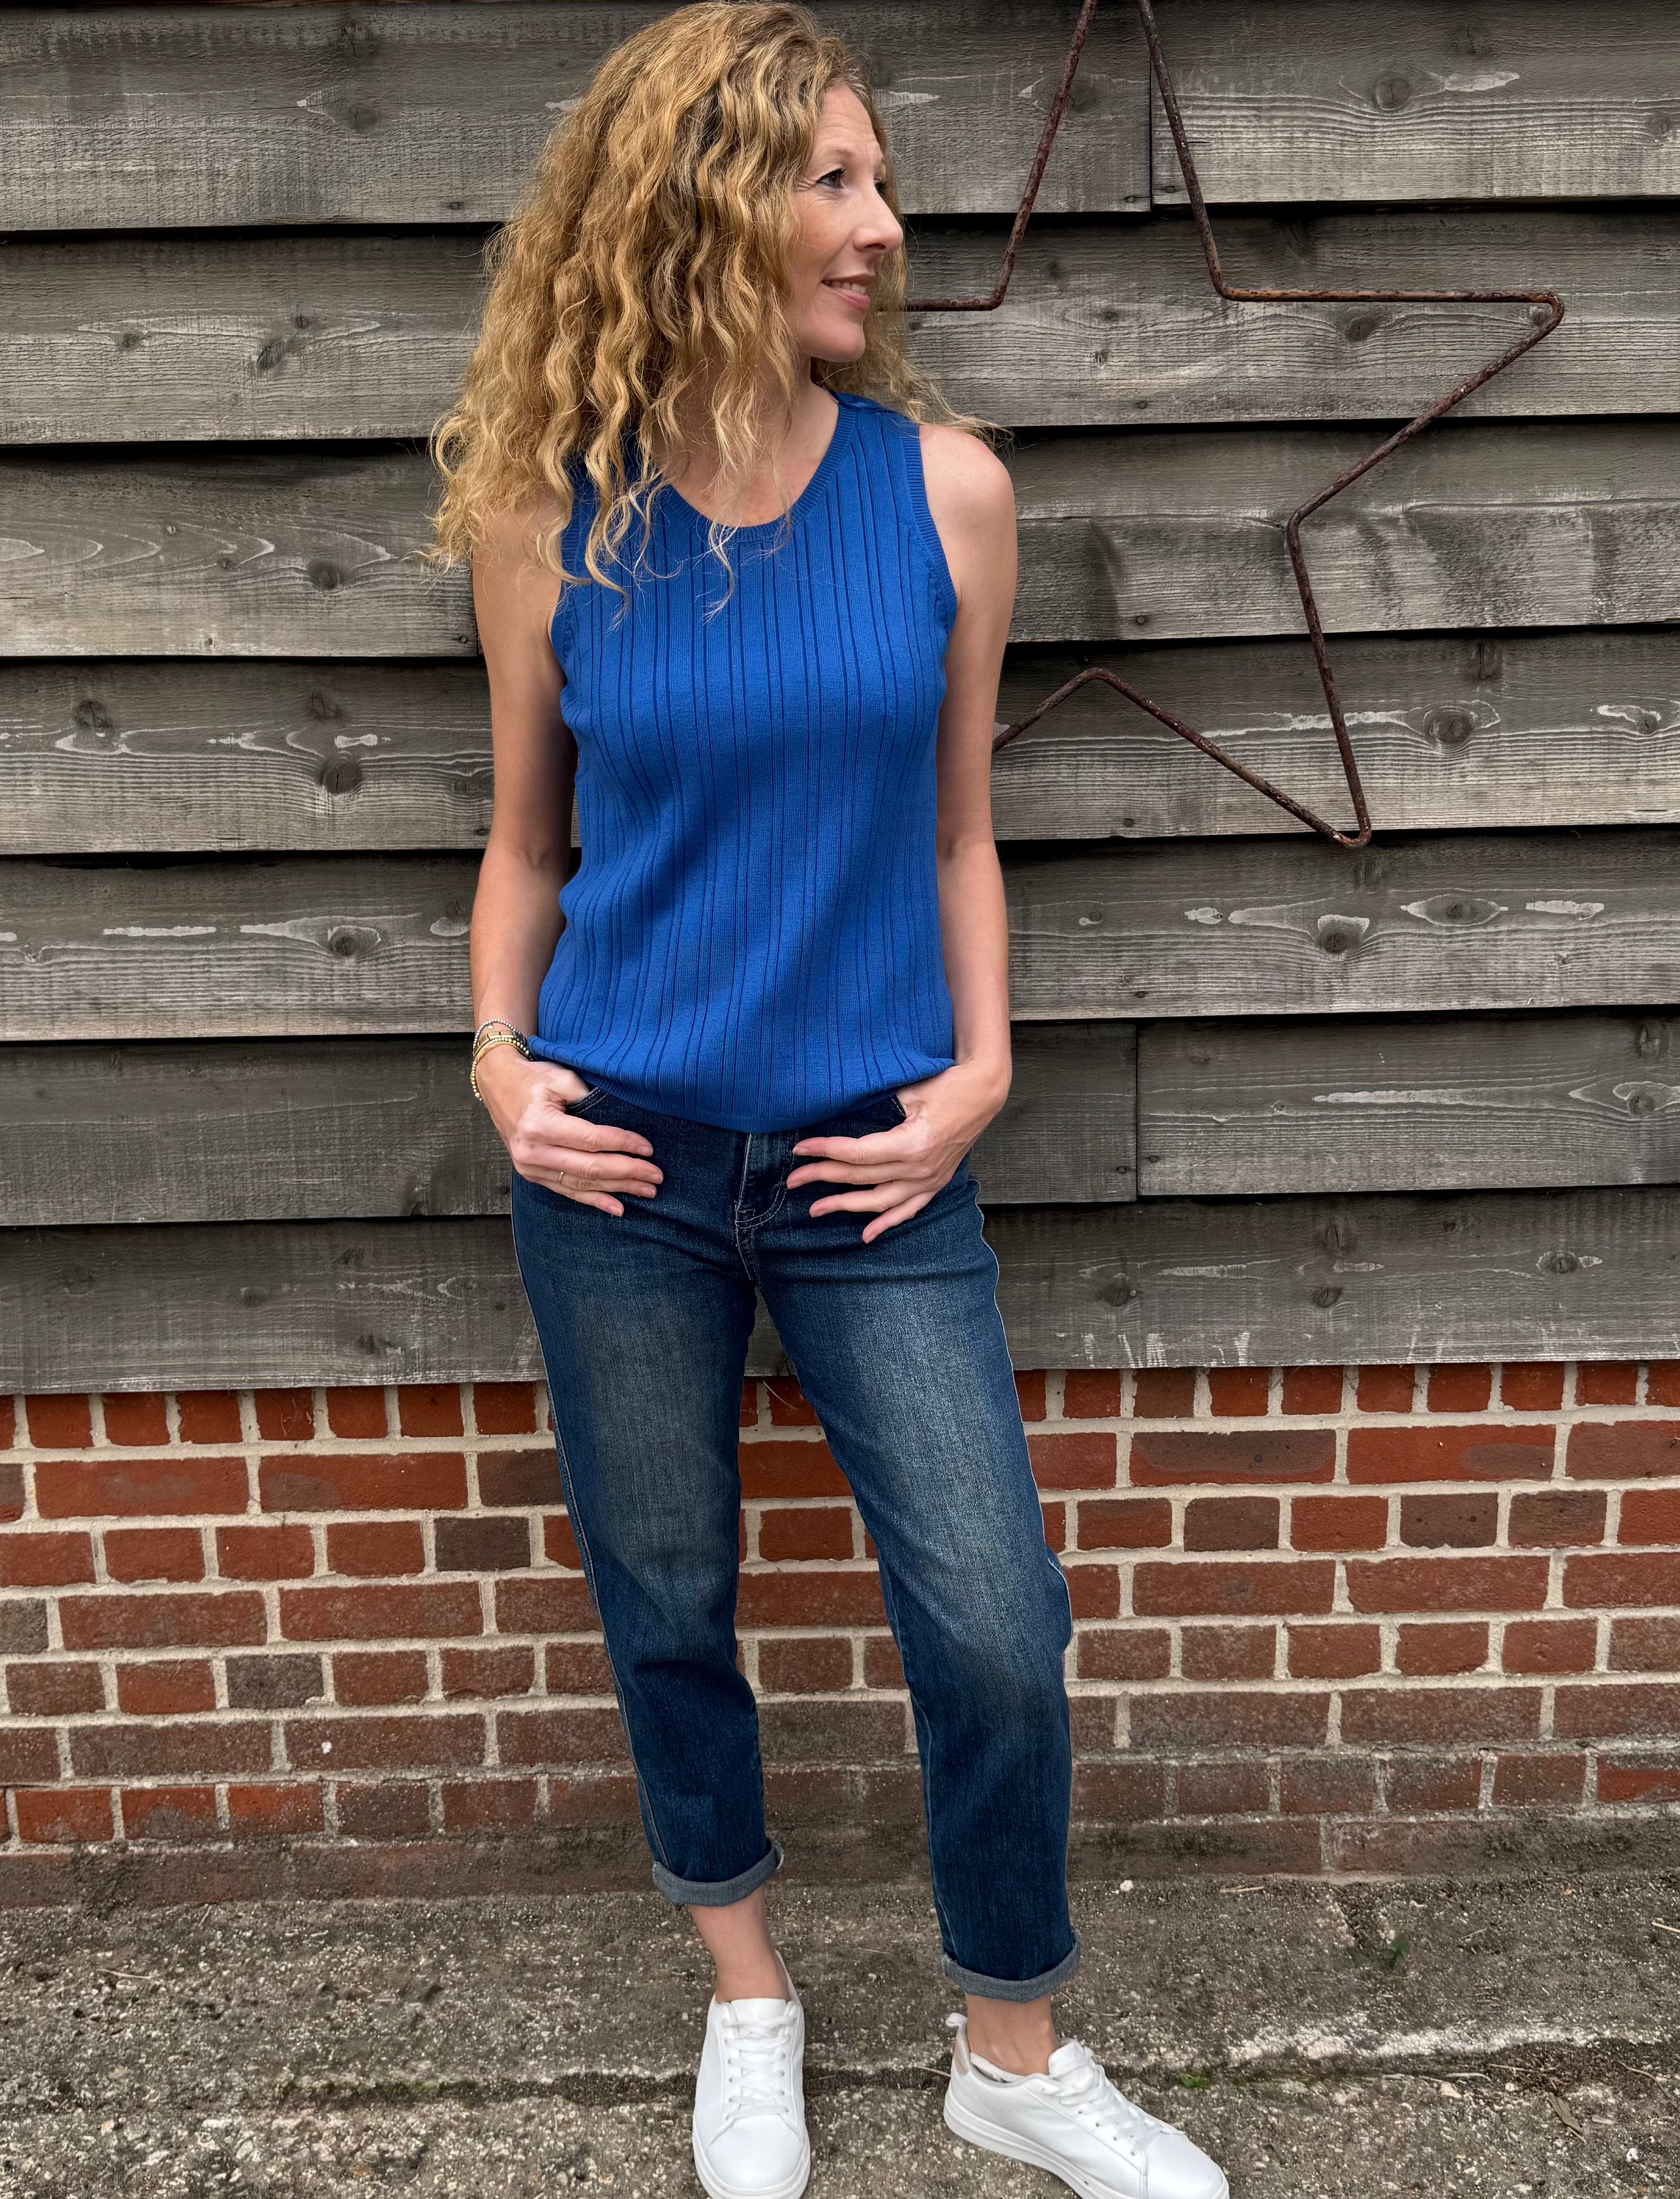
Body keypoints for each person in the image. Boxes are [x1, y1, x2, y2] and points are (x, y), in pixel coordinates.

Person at [428, 7, 1228, 2196]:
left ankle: (1010, 2051)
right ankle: (750, 2003)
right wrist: (499, 1077)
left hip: (878, 1157)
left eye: (880, 181)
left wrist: (982, 1070)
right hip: (617, 1165)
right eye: (832, 183)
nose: (880, 228)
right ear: (690, 206)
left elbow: (960, 835)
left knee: (989, 1616)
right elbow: (520, 851)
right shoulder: (543, 521)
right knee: (665, 1591)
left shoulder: (946, 497)